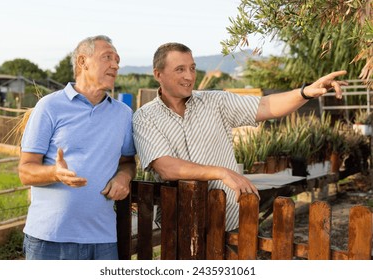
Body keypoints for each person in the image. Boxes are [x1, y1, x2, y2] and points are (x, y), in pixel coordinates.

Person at [132, 42, 347, 231]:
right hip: (179, 224)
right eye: (180, 69)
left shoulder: (217, 102)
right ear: (158, 74)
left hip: (229, 219)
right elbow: (165, 167)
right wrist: (221, 172)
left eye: (192, 68)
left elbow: (266, 105)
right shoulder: (145, 117)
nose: (189, 76)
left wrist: (304, 93)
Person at [18, 35, 136, 260]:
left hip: (103, 241)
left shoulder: (123, 114)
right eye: (107, 57)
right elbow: (25, 171)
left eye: (117, 60)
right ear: (83, 62)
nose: (115, 65)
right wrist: (56, 173)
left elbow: (128, 162)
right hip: (49, 239)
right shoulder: (49, 106)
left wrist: (124, 177)